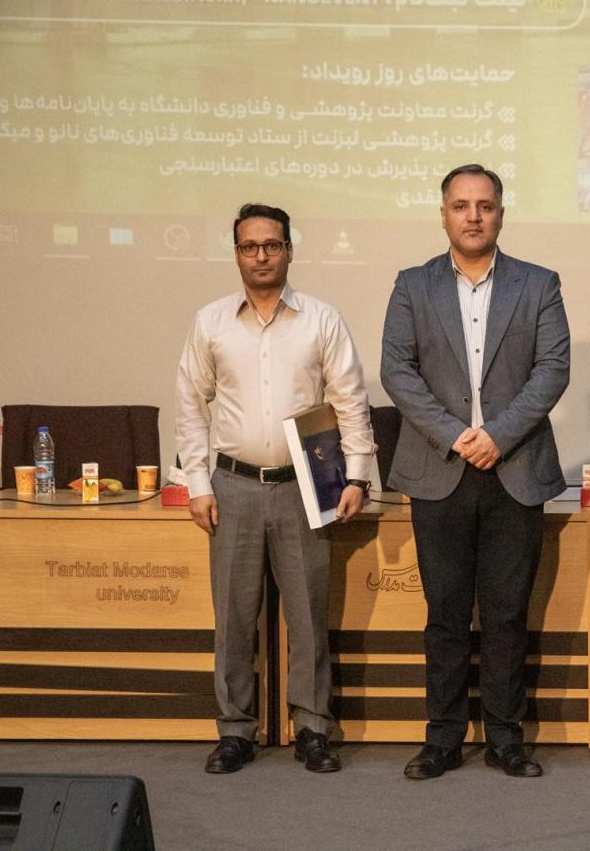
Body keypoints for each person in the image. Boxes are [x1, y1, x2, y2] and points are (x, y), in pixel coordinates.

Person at [381, 164, 570, 780]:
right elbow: (397, 370)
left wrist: (497, 435)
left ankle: (506, 737)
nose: (473, 216)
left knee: (507, 615)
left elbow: (553, 369)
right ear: (443, 215)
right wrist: (457, 435)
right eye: (461, 205)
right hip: (440, 470)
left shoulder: (539, 283)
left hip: (514, 469)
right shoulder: (413, 285)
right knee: (445, 615)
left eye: (484, 205)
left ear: (500, 214)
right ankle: (442, 738)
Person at [176, 203, 375, 774]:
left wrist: (357, 475)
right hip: (232, 486)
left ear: (289, 249)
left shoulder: (321, 320)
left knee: (309, 617)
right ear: (236, 253)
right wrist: (196, 482)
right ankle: (236, 730)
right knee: (234, 618)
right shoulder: (211, 322)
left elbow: (349, 400)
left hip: (304, 487)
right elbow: (190, 404)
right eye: (249, 246)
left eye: (271, 245)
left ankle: (312, 728)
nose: (261, 255)